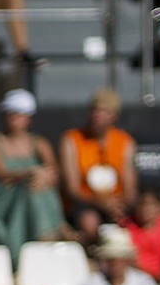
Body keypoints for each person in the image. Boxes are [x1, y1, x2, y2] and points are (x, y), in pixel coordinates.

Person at [0, 88, 66, 266]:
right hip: (4, 201)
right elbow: (2, 175)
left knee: (34, 189)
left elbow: (53, 172)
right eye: (10, 114)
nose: (13, 119)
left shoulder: (39, 143)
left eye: (18, 114)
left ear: (28, 118)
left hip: (32, 194)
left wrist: (40, 177)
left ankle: (44, 235)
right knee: (29, 190)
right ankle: (51, 231)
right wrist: (31, 173)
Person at [59, 88, 138, 225]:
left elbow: (130, 190)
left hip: (117, 205)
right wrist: (101, 202)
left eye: (103, 111)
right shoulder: (71, 139)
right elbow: (72, 190)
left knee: (128, 223)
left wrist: (116, 206)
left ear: (114, 116)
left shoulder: (125, 141)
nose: (96, 115)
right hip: (84, 204)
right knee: (89, 222)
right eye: (94, 110)